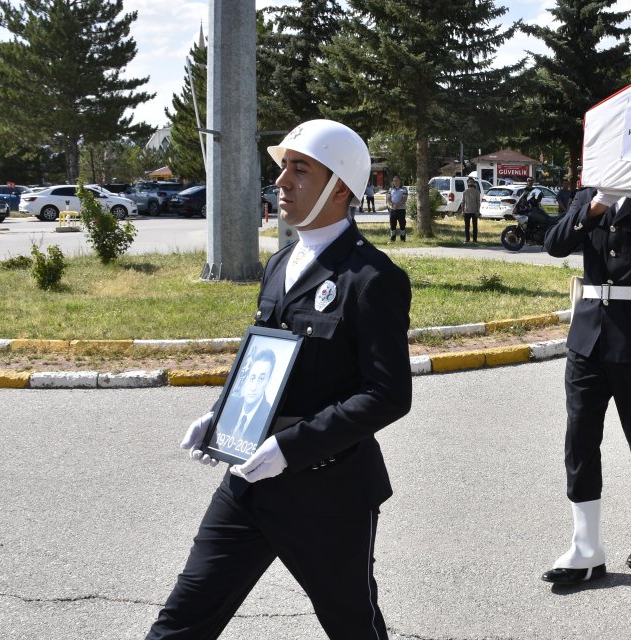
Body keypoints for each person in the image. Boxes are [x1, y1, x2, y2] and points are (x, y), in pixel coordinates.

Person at [148, 119, 412, 640]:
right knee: (183, 619)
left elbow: (387, 396)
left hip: (327, 492)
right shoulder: (281, 263)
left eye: (300, 169)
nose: (282, 182)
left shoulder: (372, 279)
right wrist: (222, 418)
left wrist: (290, 448)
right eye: (283, 168)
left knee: (352, 625)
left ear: (340, 188)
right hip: (248, 480)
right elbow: (264, 359)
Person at [539, 187, 631, 586]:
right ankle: (586, 547)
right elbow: (554, 244)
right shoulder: (589, 195)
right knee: (580, 438)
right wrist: (595, 206)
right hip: (588, 334)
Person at [218, 349, 277, 455]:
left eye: (261, 379)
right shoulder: (230, 405)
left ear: (269, 381)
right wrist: (213, 417)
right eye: (252, 377)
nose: (253, 387)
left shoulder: (270, 417)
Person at [386, 175, 408, 243]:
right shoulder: (390, 189)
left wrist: (397, 205)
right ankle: (392, 239)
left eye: (397, 180)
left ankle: (402, 239)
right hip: (392, 210)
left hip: (401, 209)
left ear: (400, 181)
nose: (395, 182)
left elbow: (404, 199)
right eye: (394, 181)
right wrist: (392, 205)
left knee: (402, 224)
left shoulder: (404, 189)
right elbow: (388, 198)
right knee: (392, 225)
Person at [460, 176, 481, 243]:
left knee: (475, 227)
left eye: (472, 182)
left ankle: (475, 240)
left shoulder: (477, 192)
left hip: (474, 211)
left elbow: (478, 202)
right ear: (467, 183)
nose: (471, 183)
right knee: (467, 227)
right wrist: (462, 211)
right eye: (469, 182)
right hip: (466, 211)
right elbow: (463, 202)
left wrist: (478, 211)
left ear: (474, 183)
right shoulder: (465, 192)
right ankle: (467, 239)